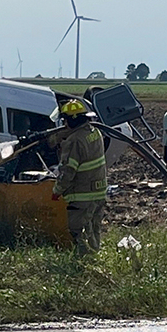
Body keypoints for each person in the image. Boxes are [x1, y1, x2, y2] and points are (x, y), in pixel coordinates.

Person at [52, 99, 107, 256]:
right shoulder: (95, 132)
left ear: (72, 120)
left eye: (66, 120)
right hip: (99, 192)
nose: (65, 124)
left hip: (82, 196)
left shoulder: (74, 141)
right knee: (94, 230)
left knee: (79, 232)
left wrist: (57, 190)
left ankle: (84, 266)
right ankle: (95, 258)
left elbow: (68, 171)